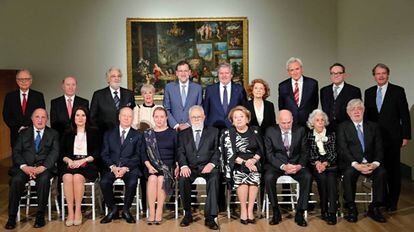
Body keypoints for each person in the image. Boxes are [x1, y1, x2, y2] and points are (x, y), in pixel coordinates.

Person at [364, 63, 411, 212]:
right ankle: (381, 200)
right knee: (379, 170)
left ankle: (392, 202)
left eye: (384, 73)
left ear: (388, 74)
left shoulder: (397, 91)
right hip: (375, 139)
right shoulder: (369, 92)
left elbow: (405, 115)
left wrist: (406, 136)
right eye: (378, 73)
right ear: (374, 76)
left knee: (393, 171)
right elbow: (368, 117)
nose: (381, 76)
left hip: (393, 138)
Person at [4, 108, 59, 230]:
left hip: (43, 168)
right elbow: (16, 152)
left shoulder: (53, 134)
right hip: (25, 168)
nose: (40, 120)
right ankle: (12, 217)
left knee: (44, 180)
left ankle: (40, 216)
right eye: (37, 117)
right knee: (16, 180)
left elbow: (54, 153)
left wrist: (43, 167)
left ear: (47, 119)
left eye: (43, 117)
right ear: (32, 119)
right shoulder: (23, 133)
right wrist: (24, 166)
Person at [337, 99, 387, 223]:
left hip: (370, 163)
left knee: (381, 173)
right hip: (352, 163)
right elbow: (343, 149)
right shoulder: (342, 127)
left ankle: (374, 207)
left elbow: (379, 148)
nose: (356, 111)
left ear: (363, 111)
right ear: (348, 112)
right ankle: (352, 208)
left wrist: (375, 164)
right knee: (348, 175)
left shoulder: (373, 126)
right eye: (353, 109)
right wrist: (356, 165)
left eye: (359, 108)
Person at [264, 110, 312, 227]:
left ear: (292, 120)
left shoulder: (300, 130)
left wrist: (299, 166)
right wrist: (283, 166)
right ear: (277, 121)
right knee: (268, 177)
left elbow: (305, 152)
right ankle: (276, 211)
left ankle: (300, 212)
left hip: (296, 165)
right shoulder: (270, 131)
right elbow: (269, 155)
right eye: (283, 123)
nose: (286, 125)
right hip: (278, 165)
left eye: (288, 122)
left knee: (308, 177)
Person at [99, 107, 145, 224]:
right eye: (124, 115)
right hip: (112, 168)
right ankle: (113, 209)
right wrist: (113, 167)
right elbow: (104, 154)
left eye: (129, 116)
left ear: (132, 119)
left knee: (132, 182)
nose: (126, 118)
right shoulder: (109, 134)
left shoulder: (138, 135)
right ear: (119, 117)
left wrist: (125, 168)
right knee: (104, 182)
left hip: (129, 168)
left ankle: (126, 210)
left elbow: (138, 155)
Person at [177, 105, 220, 230]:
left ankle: (210, 218)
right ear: (189, 118)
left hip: (208, 166)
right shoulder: (183, 134)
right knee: (183, 179)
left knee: (214, 179)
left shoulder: (213, 131)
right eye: (193, 117)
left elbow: (217, 151)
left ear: (204, 117)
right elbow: (180, 152)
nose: (196, 119)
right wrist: (183, 165)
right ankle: (188, 214)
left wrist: (212, 164)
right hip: (190, 167)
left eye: (199, 116)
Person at [220, 106, 264, 224]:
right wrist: (246, 163)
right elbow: (229, 155)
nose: (238, 119)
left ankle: (250, 210)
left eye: (241, 116)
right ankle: (243, 210)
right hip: (237, 163)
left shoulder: (255, 131)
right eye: (235, 117)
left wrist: (253, 160)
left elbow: (261, 150)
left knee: (254, 176)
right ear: (232, 120)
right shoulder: (228, 133)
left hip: (254, 162)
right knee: (242, 177)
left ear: (247, 119)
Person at [60, 106, 101, 226]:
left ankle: (78, 211)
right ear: (73, 117)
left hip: (88, 164)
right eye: (77, 115)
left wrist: (83, 160)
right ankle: (70, 212)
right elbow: (61, 153)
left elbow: (97, 153)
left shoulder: (94, 131)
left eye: (83, 115)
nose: (80, 118)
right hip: (70, 163)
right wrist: (68, 160)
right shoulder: (67, 132)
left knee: (77, 177)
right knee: (67, 177)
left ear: (87, 117)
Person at [143, 107, 178, 224]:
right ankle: (152, 211)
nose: (159, 119)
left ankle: (159, 210)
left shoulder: (173, 133)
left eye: (162, 117)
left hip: (168, 166)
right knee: (152, 179)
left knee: (162, 178)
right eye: (156, 117)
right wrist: (148, 166)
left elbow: (178, 152)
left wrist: (177, 165)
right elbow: (143, 153)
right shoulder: (147, 133)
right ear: (153, 118)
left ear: (166, 118)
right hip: (151, 166)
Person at [306, 109, 338, 225]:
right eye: (317, 120)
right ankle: (324, 208)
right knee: (322, 179)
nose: (320, 122)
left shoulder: (331, 134)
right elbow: (308, 152)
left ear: (325, 122)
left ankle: (332, 211)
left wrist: (325, 163)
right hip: (316, 164)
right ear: (312, 123)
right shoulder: (309, 135)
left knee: (331, 180)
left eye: (322, 120)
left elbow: (334, 152)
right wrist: (317, 163)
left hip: (330, 164)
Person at [3, 69, 45, 148]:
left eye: (26, 79)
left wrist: (30, 128)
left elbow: (41, 115)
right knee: (18, 159)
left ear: (31, 80)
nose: (24, 82)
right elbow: (6, 116)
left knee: (34, 159)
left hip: (34, 135)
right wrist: (19, 128)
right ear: (17, 81)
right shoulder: (10, 96)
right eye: (21, 79)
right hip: (16, 135)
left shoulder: (38, 96)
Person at [90, 67, 136, 134]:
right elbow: (92, 117)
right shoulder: (98, 95)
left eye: (119, 76)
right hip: (104, 135)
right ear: (108, 79)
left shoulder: (129, 94)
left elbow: (133, 113)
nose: (117, 78)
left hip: (125, 134)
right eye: (113, 76)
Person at [203, 62, 246, 131]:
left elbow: (244, 110)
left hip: (234, 128)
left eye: (227, 73)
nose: (224, 76)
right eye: (221, 73)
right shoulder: (210, 89)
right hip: (213, 129)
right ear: (218, 75)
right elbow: (205, 110)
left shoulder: (239, 89)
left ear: (231, 75)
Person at [278, 57, 318, 127]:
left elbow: (314, 104)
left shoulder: (312, 83)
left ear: (302, 69)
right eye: (292, 70)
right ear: (288, 72)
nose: (295, 72)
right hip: (290, 124)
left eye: (297, 69)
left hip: (308, 124)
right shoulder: (282, 86)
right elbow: (281, 106)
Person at [320, 63, 361, 130]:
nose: (336, 76)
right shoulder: (324, 91)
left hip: (347, 129)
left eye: (339, 73)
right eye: (333, 73)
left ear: (344, 75)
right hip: (328, 130)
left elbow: (357, 113)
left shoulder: (354, 91)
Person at [163, 60, 203, 131]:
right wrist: (175, 125)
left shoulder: (197, 88)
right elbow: (166, 109)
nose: (183, 73)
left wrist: (188, 124)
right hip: (174, 129)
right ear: (177, 73)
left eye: (185, 71)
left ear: (190, 72)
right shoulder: (169, 87)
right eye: (180, 71)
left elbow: (199, 109)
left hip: (192, 128)